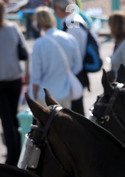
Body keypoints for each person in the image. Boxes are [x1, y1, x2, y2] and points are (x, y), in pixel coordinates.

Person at [28, 6, 82, 109]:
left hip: (44, 95)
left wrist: (33, 99)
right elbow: (77, 66)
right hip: (66, 91)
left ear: (37, 23)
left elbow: (36, 77)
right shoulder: (69, 38)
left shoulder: (39, 44)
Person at [0, 0, 28, 165]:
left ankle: (13, 156)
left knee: (6, 119)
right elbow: (24, 50)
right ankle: (19, 151)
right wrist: (29, 73)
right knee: (14, 116)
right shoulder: (13, 28)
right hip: (15, 77)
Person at [52, 0, 88, 116]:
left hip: (73, 74)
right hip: (76, 73)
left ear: (57, 8)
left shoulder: (71, 24)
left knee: (75, 115)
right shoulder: (74, 20)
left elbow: (73, 55)